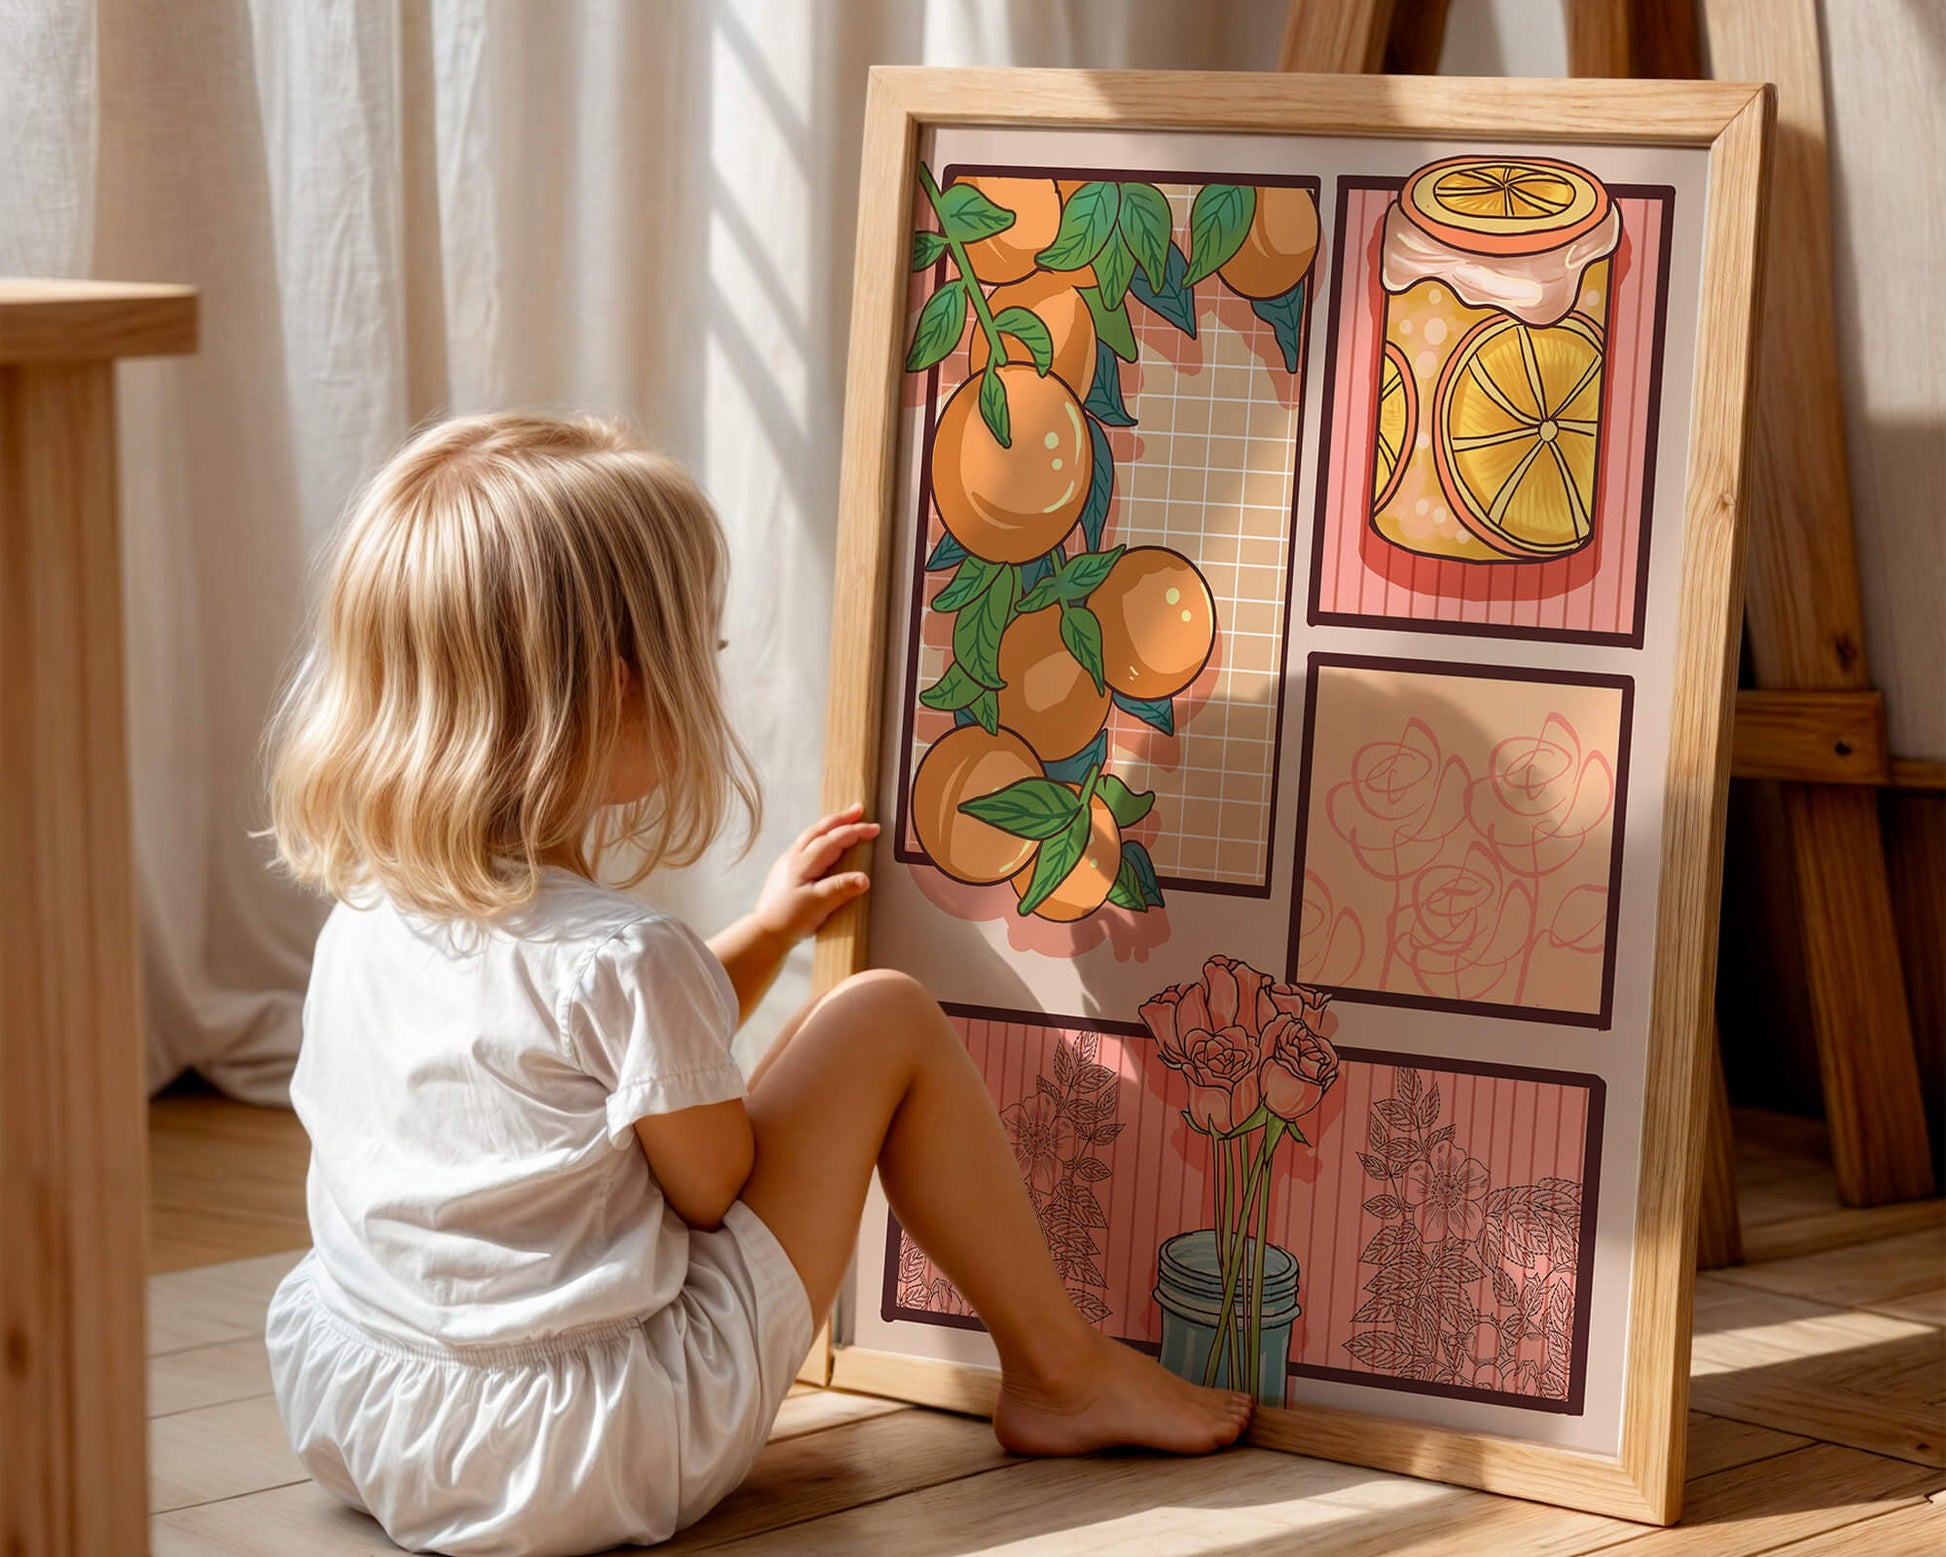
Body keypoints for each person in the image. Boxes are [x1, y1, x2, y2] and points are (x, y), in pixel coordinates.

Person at [260, 413, 1250, 1556]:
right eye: (703, 656)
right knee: (882, 1016)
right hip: (587, 1448)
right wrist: (789, 1068)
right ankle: (1057, 1370)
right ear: (622, 694)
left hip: (366, 1407)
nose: (712, 678)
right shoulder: (625, 955)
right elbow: (707, 1181)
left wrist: (768, 937)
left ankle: (1061, 1369)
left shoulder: (365, 915)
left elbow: (582, 1070)